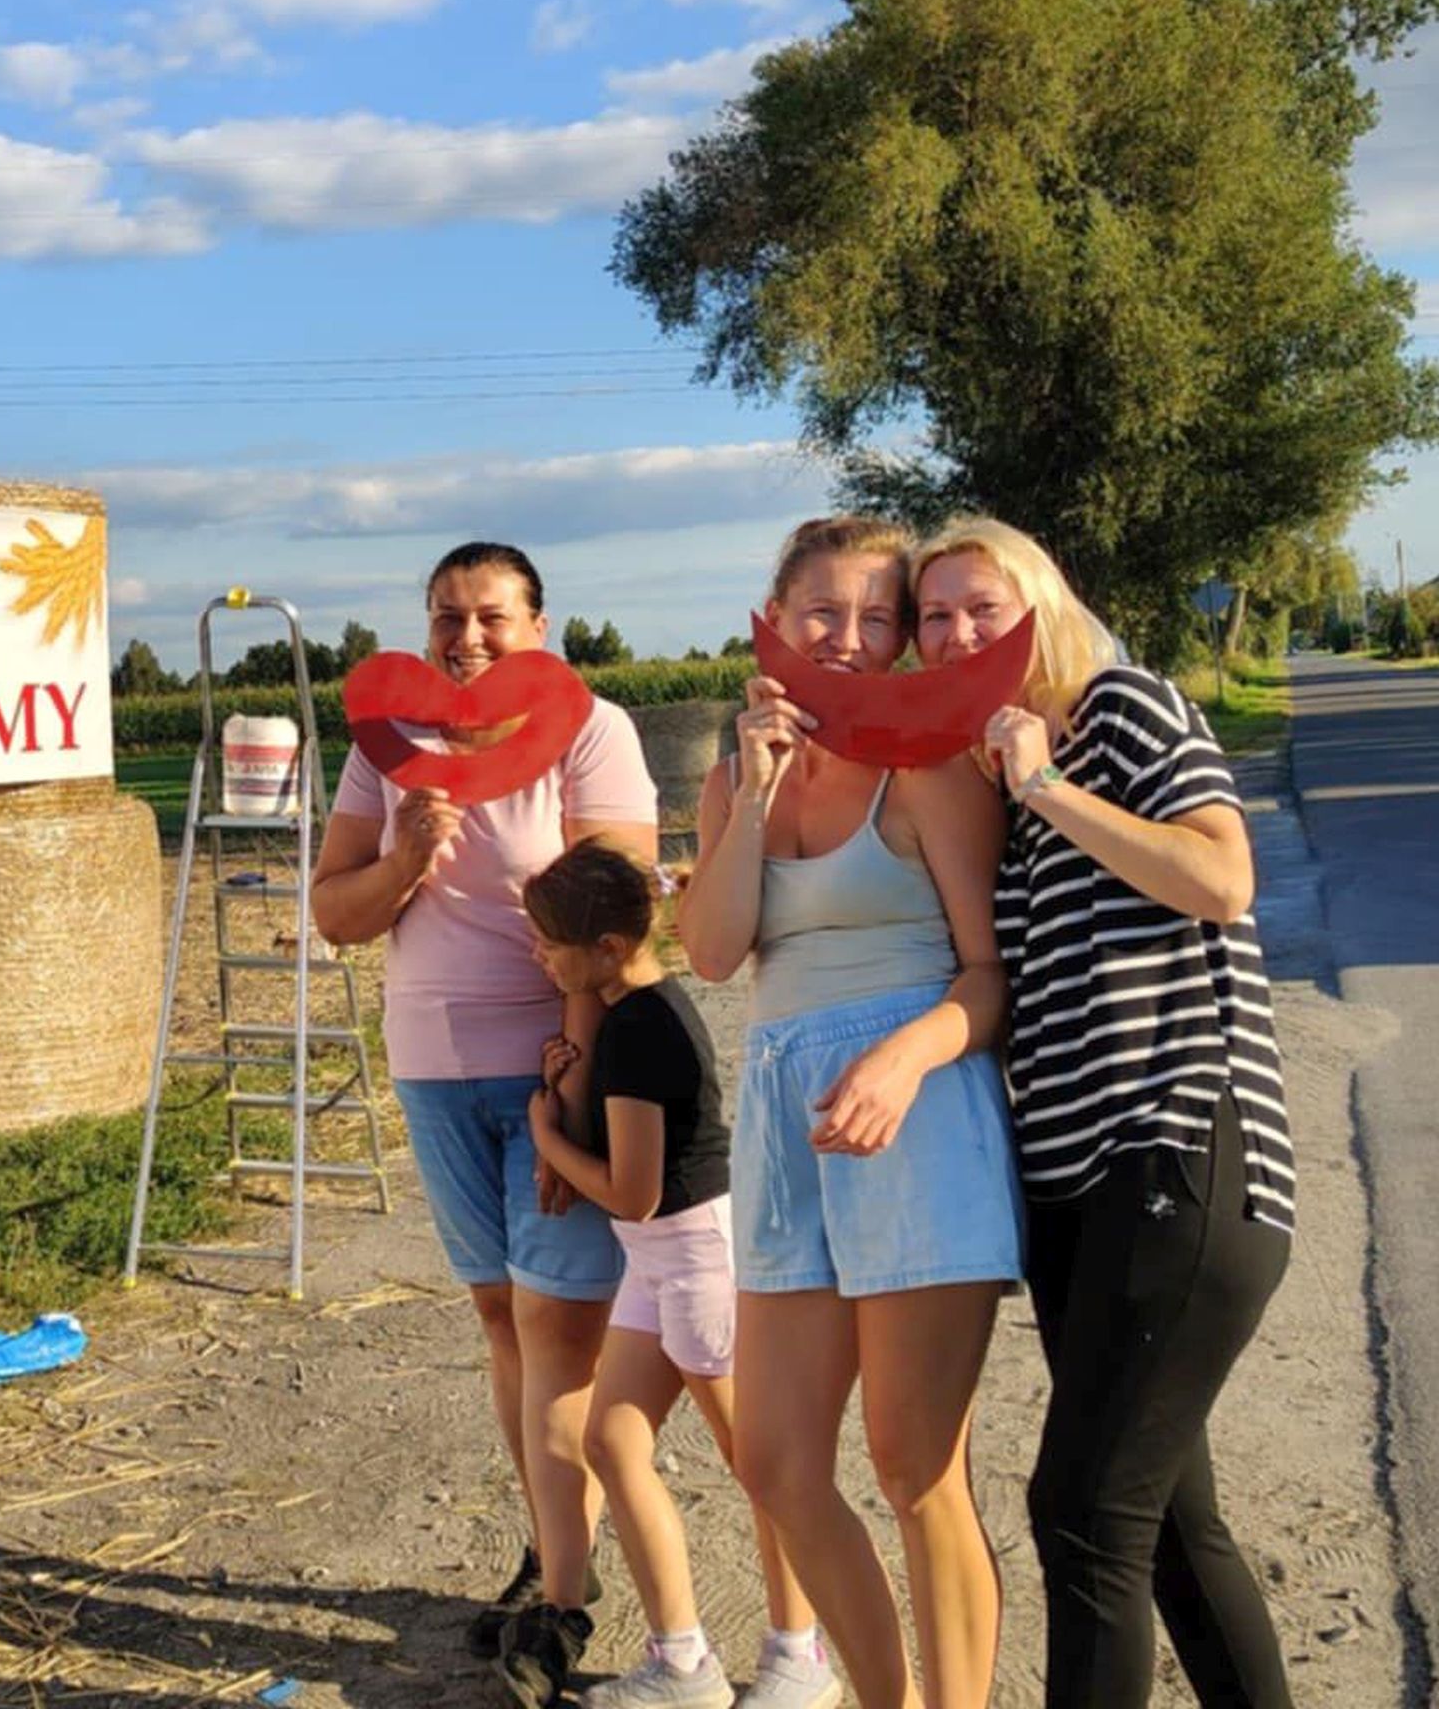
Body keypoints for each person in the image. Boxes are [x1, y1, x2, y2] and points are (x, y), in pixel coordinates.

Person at [915, 517, 1295, 1709]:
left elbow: (1221, 877)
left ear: (1042, 604)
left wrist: (1048, 784)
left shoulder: (1120, 708)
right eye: (933, 616)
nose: (957, 633)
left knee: (1080, 1513)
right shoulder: (999, 780)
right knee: (1166, 1523)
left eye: (983, 606)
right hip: (1075, 1189)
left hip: (1176, 1151)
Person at [674, 516, 1017, 1709]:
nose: (851, 637)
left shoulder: (930, 767)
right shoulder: (734, 778)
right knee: (776, 1460)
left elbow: (991, 976)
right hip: (788, 1123)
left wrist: (901, 1060)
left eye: (880, 616)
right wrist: (755, 790)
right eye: (825, 610)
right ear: (772, 621)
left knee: (916, 1466)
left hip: (917, 1115)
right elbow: (712, 951)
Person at [310, 541, 661, 1703]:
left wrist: (572, 1085)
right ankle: (555, 1541)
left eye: (491, 616)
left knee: (560, 1330)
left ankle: (564, 1595)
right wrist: (407, 856)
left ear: (539, 627)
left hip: (550, 1066)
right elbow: (337, 913)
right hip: (432, 1065)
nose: (467, 637)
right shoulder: (388, 747)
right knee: (505, 1318)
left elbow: (617, 917)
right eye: (445, 616)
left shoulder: (591, 731)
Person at [520, 840, 837, 1709]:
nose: (538, 956)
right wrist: (562, 1093)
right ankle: (683, 1663)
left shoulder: (642, 1030)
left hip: (693, 1254)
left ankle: (801, 1653)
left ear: (609, 948)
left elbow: (636, 1191)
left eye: (549, 943)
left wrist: (544, 1137)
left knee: (762, 1463)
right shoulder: (628, 1015)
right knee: (613, 1443)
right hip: (656, 1259)